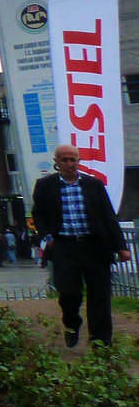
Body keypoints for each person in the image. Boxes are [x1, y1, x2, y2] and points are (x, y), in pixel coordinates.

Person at [32, 143, 132, 346]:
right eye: (64, 160)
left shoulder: (93, 185)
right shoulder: (45, 186)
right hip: (64, 247)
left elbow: (108, 216)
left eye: (73, 159)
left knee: (100, 297)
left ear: (79, 161)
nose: (69, 164)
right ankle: (72, 323)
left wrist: (121, 246)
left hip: (94, 247)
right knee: (69, 293)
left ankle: (101, 343)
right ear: (57, 162)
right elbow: (38, 215)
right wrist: (48, 240)